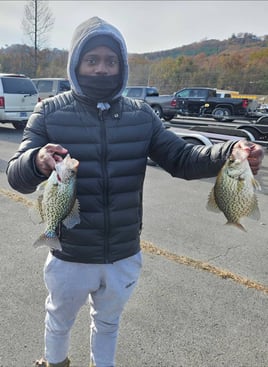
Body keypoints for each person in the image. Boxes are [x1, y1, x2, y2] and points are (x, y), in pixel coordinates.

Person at [6, 16, 264, 367]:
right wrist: (36, 161)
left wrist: (230, 152)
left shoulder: (141, 115)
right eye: (92, 60)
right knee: (59, 318)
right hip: (69, 254)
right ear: (76, 63)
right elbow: (15, 175)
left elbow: (183, 158)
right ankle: (54, 362)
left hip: (123, 255)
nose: (101, 69)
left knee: (109, 323)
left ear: (122, 66)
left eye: (111, 61)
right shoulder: (49, 111)